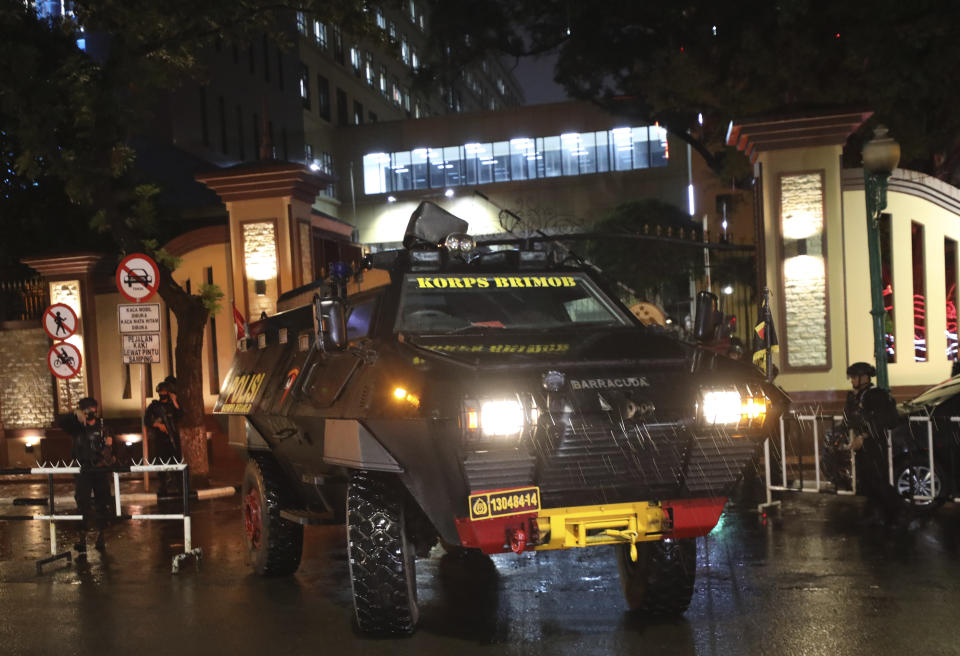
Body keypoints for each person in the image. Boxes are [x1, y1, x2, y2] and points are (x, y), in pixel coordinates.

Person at [843, 361, 904, 526]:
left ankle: (896, 514)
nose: (852, 380)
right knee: (867, 481)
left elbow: (881, 420)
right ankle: (876, 514)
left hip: (875, 444)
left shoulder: (875, 395)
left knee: (878, 480)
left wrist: (863, 437)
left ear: (864, 377)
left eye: (855, 377)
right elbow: (851, 419)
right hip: (863, 446)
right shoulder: (857, 396)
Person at [62, 397, 114, 557]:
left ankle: (101, 536)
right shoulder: (77, 427)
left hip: (99, 468)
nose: (91, 414)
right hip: (83, 468)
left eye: (93, 410)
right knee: (82, 501)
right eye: (87, 411)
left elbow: (111, 447)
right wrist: (75, 416)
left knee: (102, 501)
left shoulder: (103, 427)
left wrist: (109, 450)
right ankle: (82, 538)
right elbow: (61, 422)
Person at [145, 377, 184, 496]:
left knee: (176, 462)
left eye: (164, 391)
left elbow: (181, 415)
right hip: (161, 440)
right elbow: (147, 420)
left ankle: (180, 486)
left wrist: (175, 401)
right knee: (162, 463)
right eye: (160, 392)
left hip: (173, 438)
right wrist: (157, 425)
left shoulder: (172, 405)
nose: (162, 394)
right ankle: (164, 486)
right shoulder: (154, 406)